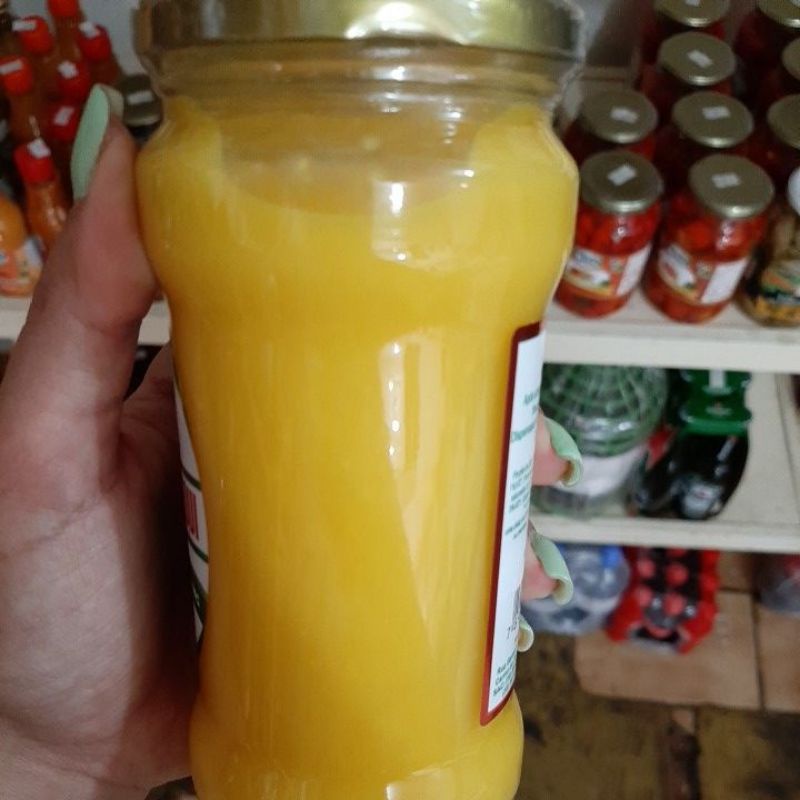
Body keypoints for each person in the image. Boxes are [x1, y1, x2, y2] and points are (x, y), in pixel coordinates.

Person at [0, 86, 582, 799]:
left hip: (266, 755)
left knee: (473, 528)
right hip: (402, 764)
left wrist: (43, 760)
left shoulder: (200, 176)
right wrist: (40, 753)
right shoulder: (519, 176)